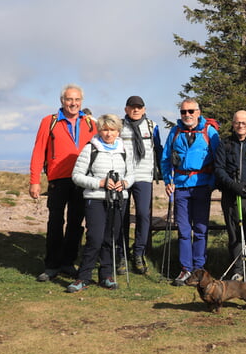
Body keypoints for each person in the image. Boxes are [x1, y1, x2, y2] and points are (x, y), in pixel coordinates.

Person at [29, 84, 97, 282]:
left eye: (76, 100)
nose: (73, 103)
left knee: (76, 224)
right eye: (69, 99)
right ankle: (51, 265)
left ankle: (68, 262)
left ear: (81, 101)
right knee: (56, 223)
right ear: (62, 101)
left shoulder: (90, 123)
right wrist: (35, 181)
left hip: (81, 179)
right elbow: (38, 151)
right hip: (57, 180)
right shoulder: (48, 122)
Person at [67, 114, 134, 292]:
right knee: (94, 239)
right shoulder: (90, 149)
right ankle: (83, 277)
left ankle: (106, 276)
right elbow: (77, 176)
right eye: (105, 129)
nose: (108, 133)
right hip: (95, 199)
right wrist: (99, 182)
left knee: (110, 239)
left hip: (119, 199)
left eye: (112, 130)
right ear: (99, 130)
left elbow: (131, 174)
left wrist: (125, 183)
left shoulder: (125, 149)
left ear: (118, 131)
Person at [160, 98, 220, 286]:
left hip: (202, 186)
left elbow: (218, 160)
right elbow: (165, 159)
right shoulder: (175, 132)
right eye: (183, 112)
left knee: (200, 230)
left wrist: (211, 184)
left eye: (191, 111)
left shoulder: (210, 132)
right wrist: (168, 180)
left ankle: (199, 269)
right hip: (180, 187)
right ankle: (186, 269)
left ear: (199, 112)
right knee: (184, 230)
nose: (187, 115)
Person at [214, 110, 246, 288]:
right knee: (234, 234)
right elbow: (219, 169)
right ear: (233, 123)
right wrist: (232, 185)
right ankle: (237, 270)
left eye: (244, 123)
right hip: (230, 196)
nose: (241, 126)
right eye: (237, 122)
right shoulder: (225, 144)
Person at [117, 96, 162, 274]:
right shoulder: (119, 126)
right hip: (122, 177)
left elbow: (158, 149)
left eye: (139, 107)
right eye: (132, 107)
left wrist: (165, 175)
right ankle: (120, 254)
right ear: (126, 109)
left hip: (144, 177)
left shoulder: (152, 126)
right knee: (121, 217)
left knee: (143, 215)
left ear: (144, 109)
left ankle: (138, 253)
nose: (136, 110)